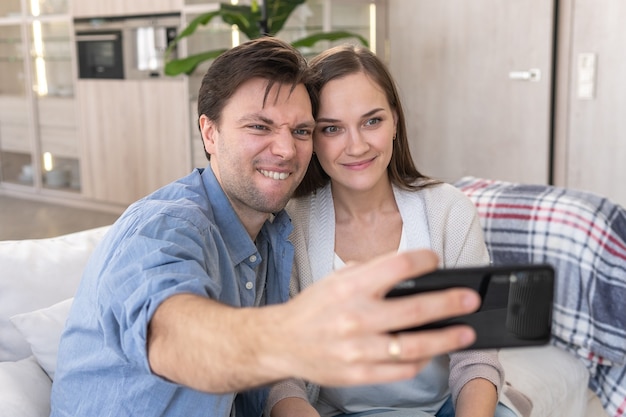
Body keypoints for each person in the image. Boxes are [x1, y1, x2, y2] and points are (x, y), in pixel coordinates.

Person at [49, 37, 483, 417]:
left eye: (301, 130)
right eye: (259, 126)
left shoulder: (274, 234)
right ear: (210, 133)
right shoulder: (166, 226)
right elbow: (169, 334)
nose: (284, 149)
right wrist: (293, 335)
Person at [267, 44, 519, 417]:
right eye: (332, 128)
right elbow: (281, 373)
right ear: (312, 139)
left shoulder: (449, 211)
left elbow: (477, 355)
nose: (357, 146)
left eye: (372, 121)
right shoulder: (290, 226)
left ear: (396, 122)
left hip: (447, 407)